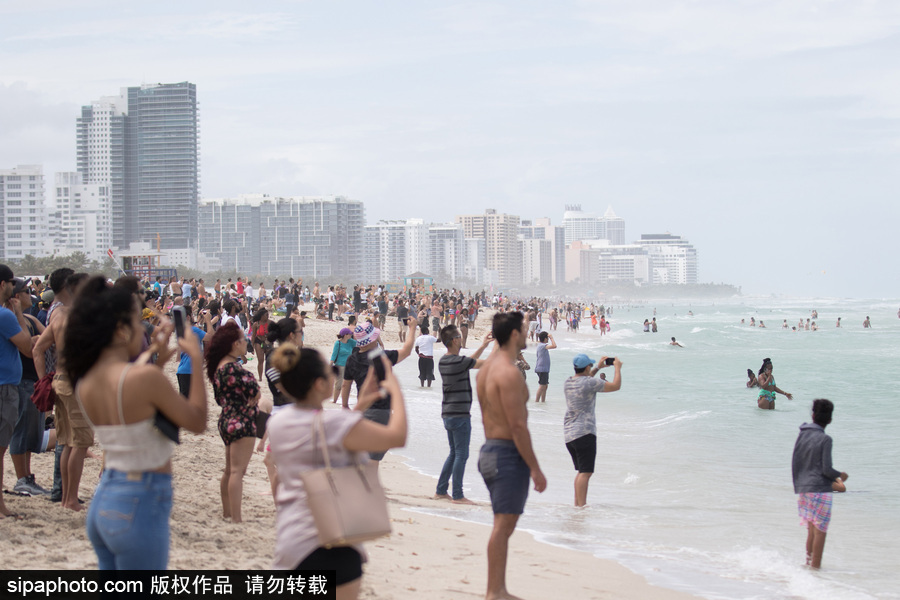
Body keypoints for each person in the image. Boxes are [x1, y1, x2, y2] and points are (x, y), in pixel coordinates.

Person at [63, 276, 207, 568]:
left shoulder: (86, 381)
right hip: (140, 499)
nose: (142, 328)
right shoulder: (143, 379)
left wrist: (157, 357)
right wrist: (195, 357)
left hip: (106, 498)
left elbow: (129, 397)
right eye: (136, 321)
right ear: (120, 330)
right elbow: (197, 420)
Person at [267, 343, 406, 597]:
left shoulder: (278, 423)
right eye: (332, 370)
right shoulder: (336, 424)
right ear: (320, 384)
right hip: (333, 544)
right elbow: (397, 436)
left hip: (291, 542)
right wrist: (395, 391)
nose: (336, 374)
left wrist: (360, 406)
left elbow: (322, 435)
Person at [474, 311, 547, 600]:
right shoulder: (508, 373)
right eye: (524, 330)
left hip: (489, 451)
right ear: (515, 335)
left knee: (503, 524)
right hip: (506, 454)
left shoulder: (488, 369)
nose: (528, 334)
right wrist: (535, 468)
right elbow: (517, 425)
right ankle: (495, 591)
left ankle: (498, 589)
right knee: (503, 525)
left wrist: (521, 320)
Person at [206, 322, 260, 523]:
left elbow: (220, 398)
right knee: (238, 472)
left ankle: (227, 512)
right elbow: (255, 392)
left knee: (229, 470)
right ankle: (236, 518)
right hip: (242, 420)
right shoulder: (234, 368)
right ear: (235, 344)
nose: (246, 342)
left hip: (227, 418)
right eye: (243, 340)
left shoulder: (219, 367)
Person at [434, 325, 493, 504]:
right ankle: (458, 495)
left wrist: (483, 346)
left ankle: (441, 490)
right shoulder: (459, 362)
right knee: (461, 454)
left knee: (454, 453)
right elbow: (486, 364)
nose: (461, 339)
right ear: (454, 340)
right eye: (459, 337)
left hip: (448, 413)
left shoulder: (445, 361)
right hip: (459, 415)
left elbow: (468, 362)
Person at [341, 319, 417, 455]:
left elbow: (346, 384)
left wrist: (345, 405)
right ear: (372, 340)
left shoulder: (352, 359)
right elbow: (406, 351)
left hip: (362, 409)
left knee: (364, 456)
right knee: (372, 460)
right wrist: (412, 329)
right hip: (381, 411)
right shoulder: (382, 357)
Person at [792, 399, 848, 569]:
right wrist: (841, 475)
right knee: (820, 532)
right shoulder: (825, 439)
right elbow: (826, 470)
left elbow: (796, 461)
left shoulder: (802, 433)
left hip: (804, 489)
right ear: (830, 420)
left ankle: (808, 565)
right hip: (819, 490)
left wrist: (799, 483)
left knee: (811, 531)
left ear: (813, 415)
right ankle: (815, 570)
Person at [7, 278, 50, 497]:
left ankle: (27, 477)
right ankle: (21, 478)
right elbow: (27, 347)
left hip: (33, 380)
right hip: (22, 379)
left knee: (31, 432)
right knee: (21, 432)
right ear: (15, 296)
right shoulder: (12, 319)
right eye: (25, 291)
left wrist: (37, 340)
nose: (29, 295)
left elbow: (48, 338)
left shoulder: (30, 317)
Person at [0, 267, 37, 519]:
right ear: (3, 284)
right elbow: (26, 347)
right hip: (4, 387)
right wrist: (19, 316)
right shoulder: (5, 315)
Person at [563, 354, 622, 507]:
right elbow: (616, 386)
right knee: (586, 472)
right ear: (587, 367)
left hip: (569, 434)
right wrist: (617, 368)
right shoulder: (589, 383)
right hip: (584, 432)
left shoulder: (568, 382)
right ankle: (581, 507)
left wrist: (597, 368)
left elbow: (586, 379)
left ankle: (577, 505)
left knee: (582, 471)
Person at [330, 328, 355, 403]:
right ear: (345, 335)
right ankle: (335, 400)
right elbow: (334, 355)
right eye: (349, 334)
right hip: (340, 366)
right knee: (339, 384)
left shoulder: (351, 342)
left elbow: (360, 344)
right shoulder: (338, 343)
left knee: (347, 384)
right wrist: (330, 365)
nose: (351, 335)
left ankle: (344, 401)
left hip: (349, 366)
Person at [533, 331, 556, 403]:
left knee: (545, 386)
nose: (548, 339)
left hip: (543, 369)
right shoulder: (542, 346)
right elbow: (554, 346)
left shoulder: (541, 346)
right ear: (545, 338)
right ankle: (536, 401)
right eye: (547, 338)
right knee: (542, 386)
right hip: (542, 369)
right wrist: (552, 338)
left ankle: (543, 401)